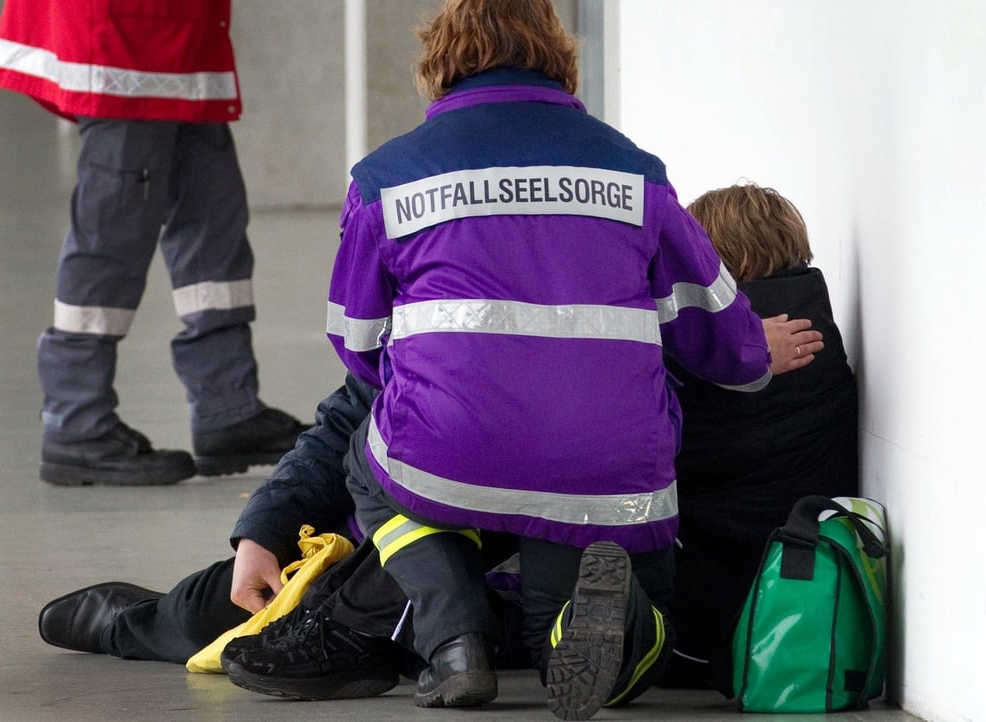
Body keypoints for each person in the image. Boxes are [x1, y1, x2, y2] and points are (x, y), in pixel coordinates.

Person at [323, 1, 822, 718]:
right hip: (606, 466)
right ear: (557, 52)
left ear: (439, 60)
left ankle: (454, 638)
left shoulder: (386, 177)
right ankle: (617, 628)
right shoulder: (633, 171)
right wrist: (753, 352)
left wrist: (429, 387)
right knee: (579, 625)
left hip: (450, 451)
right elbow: (708, 322)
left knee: (367, 465)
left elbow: (357, 337)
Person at [0, 0, 305, 486]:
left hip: (177, 28)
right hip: (127, 30)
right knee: (115, 222)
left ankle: (227, 404)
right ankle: (75, 419)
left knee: (212, 209)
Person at [661, 182, 858, 689]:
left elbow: (671, 447)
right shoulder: (820, 331)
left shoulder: (707, 343)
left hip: (704, 617)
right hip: (795, 598)